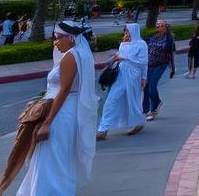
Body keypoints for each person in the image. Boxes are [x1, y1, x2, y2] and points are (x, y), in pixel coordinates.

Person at [10, 19, 96, 196]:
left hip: (61, 113)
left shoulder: (71, 56)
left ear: (70, 38)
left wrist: (47, 122)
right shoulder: (77, 54)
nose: (55, 43)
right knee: (58, 157)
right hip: (65, 109)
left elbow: (63, 91)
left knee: (49, 156)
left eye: (58, 38)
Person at [97, 23, 147, 139]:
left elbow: (144, 62)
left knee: (133, 101)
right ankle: (103, 129)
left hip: (134, 76)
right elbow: (119, 57)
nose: (126, 33)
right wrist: (115, 58)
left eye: (128, 30)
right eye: (125, 30)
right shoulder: (123, 44)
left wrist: (144, 78)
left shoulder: (141, 44)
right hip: (121, 75)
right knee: (111, 100)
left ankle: (138, 122)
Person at [143, 19, 176, 120]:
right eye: (157, 26)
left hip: (161, 64)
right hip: (150, 64)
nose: (159, 28)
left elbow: (172, 54)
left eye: (161, 26)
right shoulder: (153, 37)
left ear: (165, 27)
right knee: (146, 87)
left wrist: (172, 68)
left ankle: (154, 107)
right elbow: (146, 49)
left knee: (152, 86)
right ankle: (145, 111)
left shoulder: (169, 39)